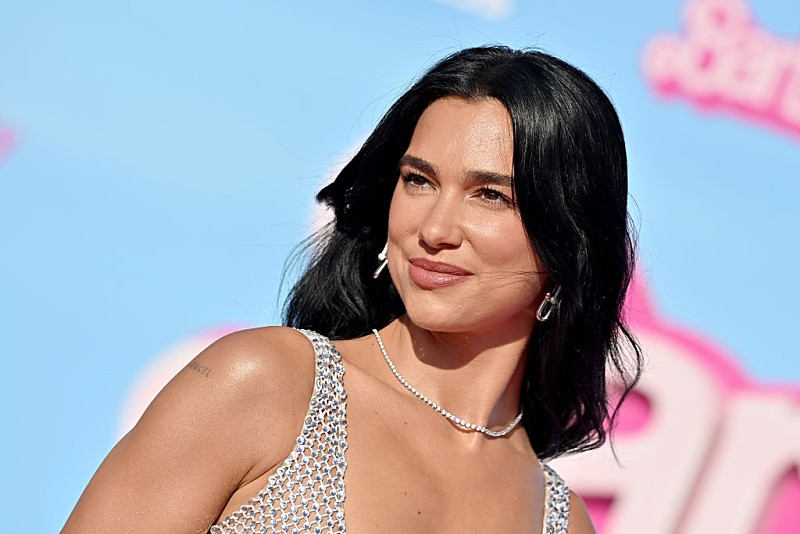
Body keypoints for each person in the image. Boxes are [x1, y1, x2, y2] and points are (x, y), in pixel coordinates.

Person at [64, 45, 642, 533]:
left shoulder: (557, 521)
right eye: (418, 181)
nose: (434, 229)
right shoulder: (267, 386)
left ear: (569, 240)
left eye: (490, 195)